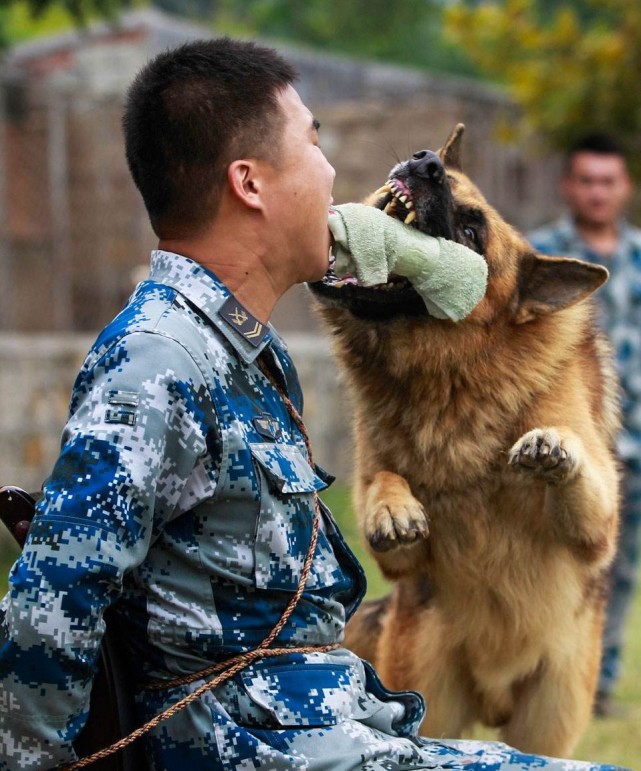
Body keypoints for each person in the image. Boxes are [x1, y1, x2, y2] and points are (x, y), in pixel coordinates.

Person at [0, 39, 627, 771]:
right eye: (313, 142)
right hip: (261, 748)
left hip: (331, 721)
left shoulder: (240, 349)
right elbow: (52, 602)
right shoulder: (157, 360)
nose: (333, 175)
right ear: (250, 184)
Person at [528, 134, 641, 718]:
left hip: (636, 444)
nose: (597, 192)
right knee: (553, 561)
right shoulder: (538, 257)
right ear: (569, 185)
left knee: (619, 570)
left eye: (608, 181)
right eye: (587, 180)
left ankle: (597, 682)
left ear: (625, 187)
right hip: (564, 441)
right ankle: (534, 673)